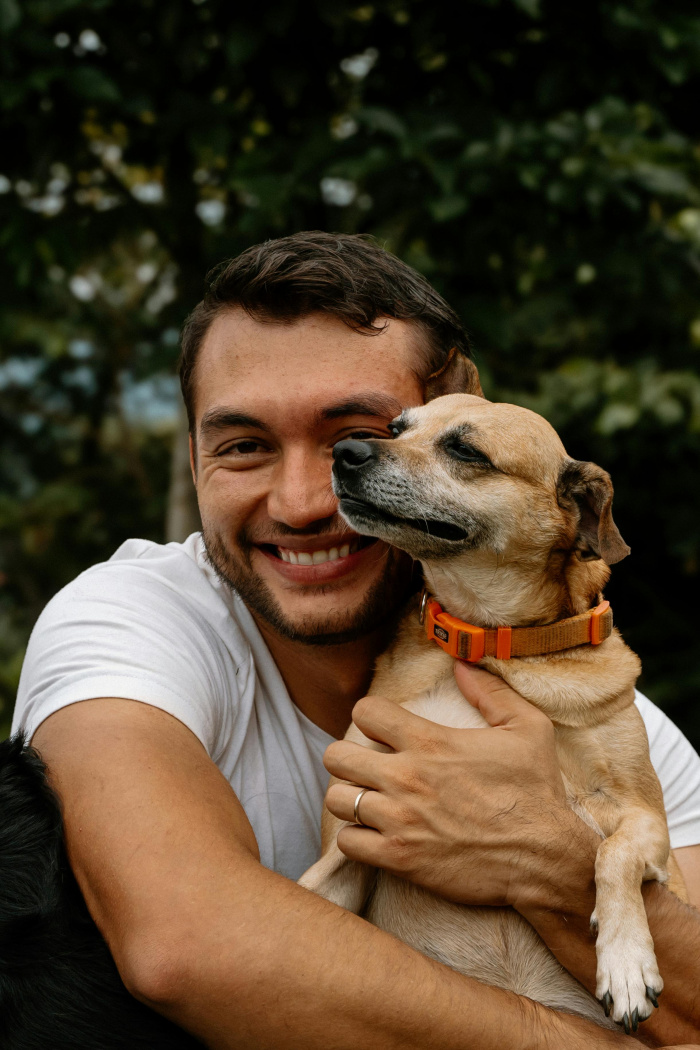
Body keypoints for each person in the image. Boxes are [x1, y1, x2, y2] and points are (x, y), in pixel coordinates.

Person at [11, 232, 700, 1050]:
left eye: (354, 439)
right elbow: (185, 947)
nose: (308, 501)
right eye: (243, 447)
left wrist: (543, 855)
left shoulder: (604, 711)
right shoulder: (135, 622)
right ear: (191, 455)